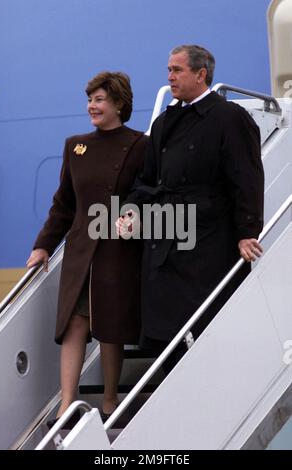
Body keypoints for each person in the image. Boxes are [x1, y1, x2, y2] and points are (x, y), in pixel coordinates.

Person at [116, 45, 264, 366]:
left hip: (209, 244)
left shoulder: (229, 117)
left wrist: (247, 232)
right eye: (169, 69)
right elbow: (147, 180)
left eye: (177, 70)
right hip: (166, 239)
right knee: (165, 337)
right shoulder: (164, 123)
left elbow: (246, 179)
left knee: (203, 331)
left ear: (201, 74)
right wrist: (130, 209)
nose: (170, 76)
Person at [27, 71, 148, 424]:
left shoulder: (141, 145)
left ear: (119, 104)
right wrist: (43, 245)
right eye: (90, 99)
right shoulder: (75, 145)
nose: (91, 106)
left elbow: (147, 193)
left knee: (110, 327)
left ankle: (110, 399)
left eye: (99, 99)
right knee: (74, 324)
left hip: (118, 249)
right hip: (81, 250)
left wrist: (133, 216)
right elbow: (64, 204)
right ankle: (68, 403)